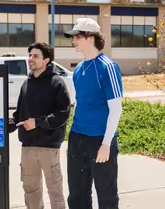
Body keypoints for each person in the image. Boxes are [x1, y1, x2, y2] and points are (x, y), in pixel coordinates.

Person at [63, 18, 123, 209]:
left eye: (77, 36)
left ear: (90, 37)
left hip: (99, 140)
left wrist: (106, 144)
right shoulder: (79, 68)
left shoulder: (108, 67)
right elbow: (76, 102)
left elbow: (116, 108)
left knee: (106, 196)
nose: (74, 40)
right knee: (77, 196)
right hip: (77, 138)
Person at [8, 42, 71, 209]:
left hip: (49, 148)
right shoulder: (26, 84)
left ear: (46, 60)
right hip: (27, 147)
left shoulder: (57, 83)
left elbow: (63, 114)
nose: (30, 59)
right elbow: (18, 115)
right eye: (30, 55)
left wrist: (37, 122)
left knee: (55, 191)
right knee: (30, 191)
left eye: (35, 56)